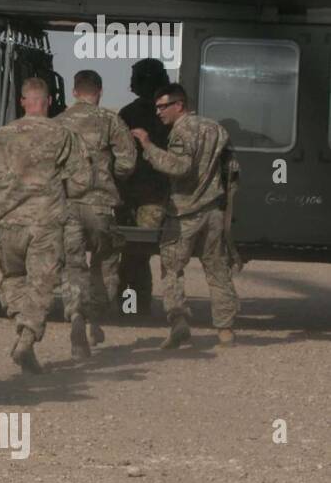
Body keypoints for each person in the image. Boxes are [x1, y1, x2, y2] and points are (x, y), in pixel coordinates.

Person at [0, 78, 91, 374]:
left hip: (9, 223)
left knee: (13, 278)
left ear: (22, 101)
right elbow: (83, 180)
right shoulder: (64, 135)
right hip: (45, 222)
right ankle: (27, 338)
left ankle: (22, 324)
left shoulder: (0, 136)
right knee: (42, 284)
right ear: (48, 102)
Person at [130, 83, 240, 348]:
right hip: (213, 212)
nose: (158, 113)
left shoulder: (181, 131)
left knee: (171, 270)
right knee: (217, 270)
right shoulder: (217, 129)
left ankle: (178, 321)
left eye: (162, 107)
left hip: (183, 215)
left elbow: (179, 167)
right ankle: (225, 329)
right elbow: (232, 169)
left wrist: (147, 144)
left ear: (179, 105)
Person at [55, 70, 138, 358]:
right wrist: (109, 176)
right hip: (101, 206)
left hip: (66, 206)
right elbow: (127, 162)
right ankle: (96, 317)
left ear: (75, 91)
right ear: (99, 92)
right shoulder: (111, 121)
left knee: (72, 265)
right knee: (105, 260)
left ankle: (76, 316)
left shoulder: (58, 123)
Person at [117, 58, 171, 313]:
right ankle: (134, 306)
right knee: (137, 251)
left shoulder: (130, 113)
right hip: (146, 193)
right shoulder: (168, 113)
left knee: (135, 251)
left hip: (142, 193)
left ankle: (130, 305)